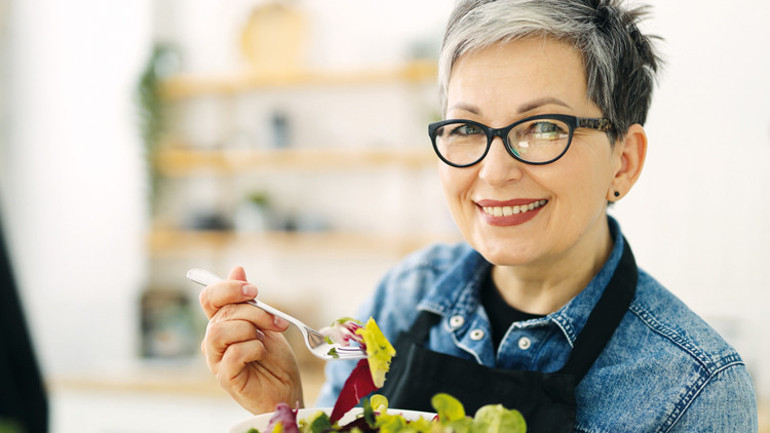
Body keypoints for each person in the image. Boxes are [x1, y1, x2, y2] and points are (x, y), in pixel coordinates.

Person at [198, 0, 758, 431]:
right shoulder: (405, 294)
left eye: (542, 128)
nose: (493, 171)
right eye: (466, 128)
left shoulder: (696, 385)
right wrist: (285, 410)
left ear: (624, 161)